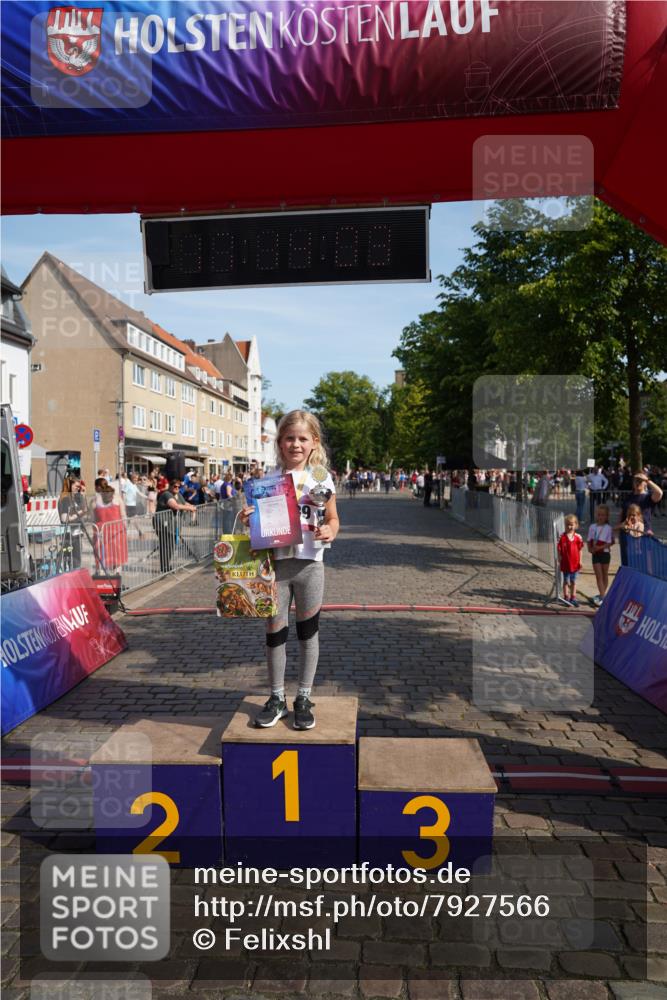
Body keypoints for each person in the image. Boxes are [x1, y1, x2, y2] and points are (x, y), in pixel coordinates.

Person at [241, 409, 339, 732]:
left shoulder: (321, 477)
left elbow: (333, 518)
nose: (295, 444)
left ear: (314, 442)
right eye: (289, 438)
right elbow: (258, 521)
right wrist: (249, 518)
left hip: (311, 565)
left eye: (302, 438)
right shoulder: (268, 480)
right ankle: (277, 697)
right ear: (280, 442)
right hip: (277, 566)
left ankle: (304, 697)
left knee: (308, 632)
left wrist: (331, 531)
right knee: (275, 633)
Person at [154, 478, 196, 573]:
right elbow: (175, 506)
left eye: (178, 486)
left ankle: (167, 566)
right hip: (163, 523)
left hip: (172, 525)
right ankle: (164, 567)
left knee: (171, 545)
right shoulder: (167, 494)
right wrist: (189, 508)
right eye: (175, 486)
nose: (177, 488)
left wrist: (192, 506)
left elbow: (184, 503)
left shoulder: (178, 495)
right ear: (170, 486)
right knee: (166, 545)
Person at [92, 477, 128, 571]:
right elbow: (123, 515)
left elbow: (93, 520)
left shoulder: (94, 500)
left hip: (101, 532)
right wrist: (125, 529)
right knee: (117, 559)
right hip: (117, 531)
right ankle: (117, 581)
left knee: (101, 558)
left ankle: (103, 583)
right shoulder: (117, 497)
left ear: (97, 487)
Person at [57, 475, 88, 569]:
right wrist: (80, 512)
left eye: (79, 487)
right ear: (69, 485)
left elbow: (85, 509)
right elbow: (64, 518)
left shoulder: (74, 498)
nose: (78, 489)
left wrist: (83, 494)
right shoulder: (65, 499)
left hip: (76, 534)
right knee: (74, 560)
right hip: (70, 536)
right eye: (76, 486)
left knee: (76, 559)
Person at [587, 504, 613, 606]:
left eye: (603, 515)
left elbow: (610, 542)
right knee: (599, 576)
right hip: (595, 554)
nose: (600, 517)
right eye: (599, 515)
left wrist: (600, 548)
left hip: (605, 553)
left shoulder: (608, 528)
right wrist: (589, 549)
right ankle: (603, 596)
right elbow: (589, 540)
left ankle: (602, 595)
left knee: (604, 574)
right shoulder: (592, 527)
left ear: (606, 516)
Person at [557, 514, 584, 607]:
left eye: (572, 524)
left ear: (576, 525)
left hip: (575, 564)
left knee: (574, 581)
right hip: (566, 564)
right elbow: (559, 549)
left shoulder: (578, 537)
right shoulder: (562, 537)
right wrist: (559, 557)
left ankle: (573, 597)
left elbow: (580, 550)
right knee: (566, 581)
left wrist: (580, 560)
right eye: (568, 524)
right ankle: (566, 597)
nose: (570, 526)